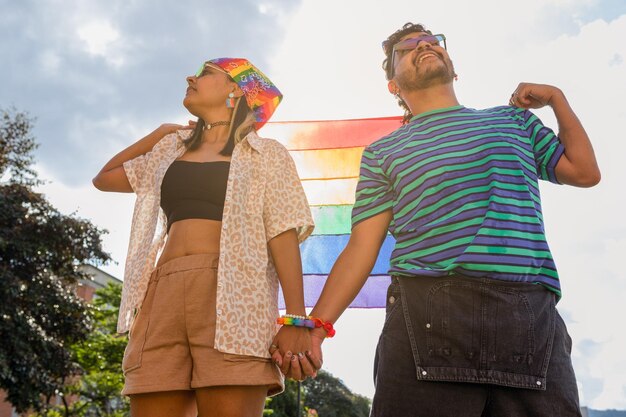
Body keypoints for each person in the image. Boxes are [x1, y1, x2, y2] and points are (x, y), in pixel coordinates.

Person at [274, 22, 600, 416]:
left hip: (528, 314)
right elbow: (362, 247)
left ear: (453, 66)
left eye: (432, 42)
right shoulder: (383, 153)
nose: (424, 45)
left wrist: (558, 100)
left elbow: (584, 172)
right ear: (393, 85)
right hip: (425, 312)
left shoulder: (513, 121)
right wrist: (317, 328)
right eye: (407, 47)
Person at [93, 57, 315, 417]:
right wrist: (156, 135)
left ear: (235, 90)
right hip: (161, 293)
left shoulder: (267, 154)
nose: (190, 77)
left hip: (235, 300)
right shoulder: (170, 149)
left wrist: (295, 320)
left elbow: (282, 235)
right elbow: (104, 178)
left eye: (206, 72)